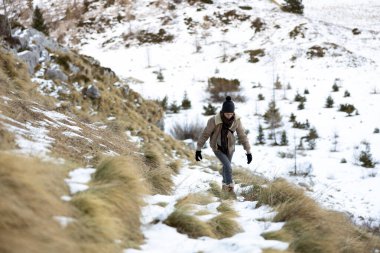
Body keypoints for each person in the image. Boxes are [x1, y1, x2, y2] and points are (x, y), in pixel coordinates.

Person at [195, 96, 252, 192]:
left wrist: (248, 151)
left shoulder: (236, 120)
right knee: (228, 167)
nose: (229, 116)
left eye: (231, 114)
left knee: (226, 168)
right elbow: (205, 134)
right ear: (222, 112)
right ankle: (230, 190)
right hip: (218, 148)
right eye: (227, 114)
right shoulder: (214, 120)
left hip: (230, 147)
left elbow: (242, 135)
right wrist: (198, 149)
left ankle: (224, 190)